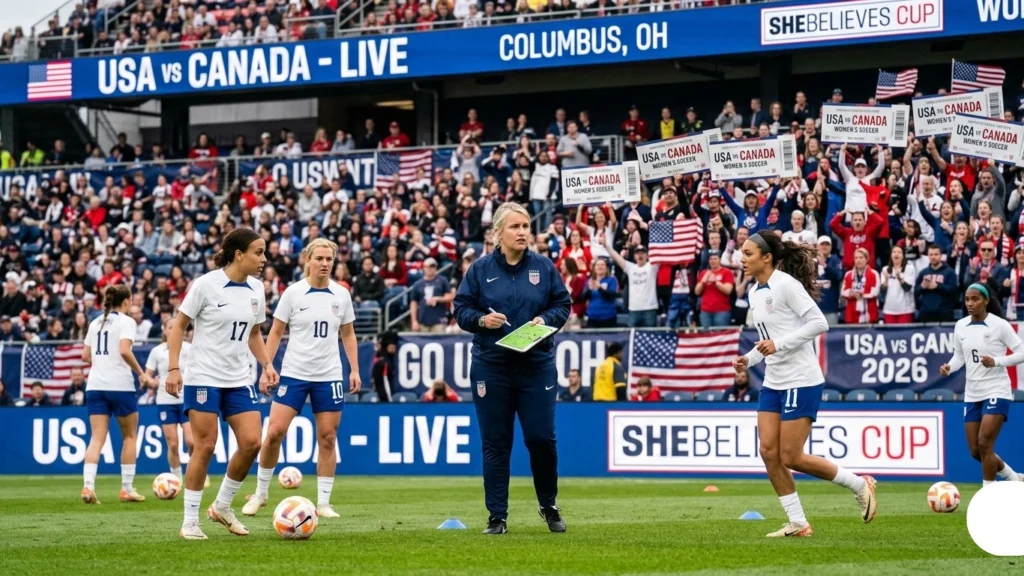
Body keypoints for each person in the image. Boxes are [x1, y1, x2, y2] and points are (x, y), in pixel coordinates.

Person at [733, 230, 876, 538]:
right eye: (741, 253)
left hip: (802, 378)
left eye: (748, 253)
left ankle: (859, 484)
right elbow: (767, 341)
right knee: (768, 452)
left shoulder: (786, 284)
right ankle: (798, 523)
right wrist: (749, 359)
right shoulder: (754, 292)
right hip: (774, 380)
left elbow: (819, 323)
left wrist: (779, 345)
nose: (741, 258)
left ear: (767, 258)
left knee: (791, 456)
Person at [453, 202, 571, 535]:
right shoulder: (479, 269)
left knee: (541, 439)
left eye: (526, 226)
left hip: (536, 365)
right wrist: (481, 320)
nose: (522, 232)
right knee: (495, 442)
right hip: (492, 367)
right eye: (515, 227)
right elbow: (461, 308)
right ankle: (497, 516)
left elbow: (562, 304)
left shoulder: (545, 267)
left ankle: (549, 505)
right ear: (498, 233)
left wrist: (544, 320)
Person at [165, 228, 279, 540]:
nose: (263, 259)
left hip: (239, 378)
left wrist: (267, 364)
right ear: (238, 254)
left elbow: (254, 333)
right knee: (205, 445)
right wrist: (174, 368)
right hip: (204, 376)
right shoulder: (205, 284)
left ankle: (222, 506)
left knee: (253, 442)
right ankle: (189, 521)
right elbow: (178, 326)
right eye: (258, 252)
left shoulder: (257, 289)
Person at [244, 238, 360, 519]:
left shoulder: (341, 294)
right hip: (294, 373)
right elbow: (274, 332)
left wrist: (354, 369)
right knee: (273, 433)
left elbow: (347, 333)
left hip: (329, 374)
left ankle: (323, 502)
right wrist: (267, 366)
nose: (324, 263)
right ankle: (260, 494)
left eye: (329, 259)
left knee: (328, 437)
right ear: (307, 260)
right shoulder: (293, 293)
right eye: (319, 258)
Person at [940, 282, 1024, 485]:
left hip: (997, 389)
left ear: (986, 301)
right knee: (976, 451)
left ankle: (989, 494)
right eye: (967, 299)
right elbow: (959, 356)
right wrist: (949, 367)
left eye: (975, 299)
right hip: (973, 392)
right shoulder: (961, 325)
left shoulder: (1000, 325)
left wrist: (997, 361)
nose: (970, 303)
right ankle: (1015, 479)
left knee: (985, 442)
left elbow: (1022, 352)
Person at [80, 285, 146, 505]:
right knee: (129, 436)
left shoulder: (94, 322)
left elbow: (85, 356)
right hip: (120, 385)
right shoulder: (127, 322)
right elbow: (125, 350)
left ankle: (88, 486)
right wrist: (140, 372)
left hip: (95, 385)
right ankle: (126, 488)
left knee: (96, 438)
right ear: (126, 301)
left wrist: (103, 362)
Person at [144, 323, 196, 481]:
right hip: (165, 400)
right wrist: (150, 381)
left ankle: (196, 472)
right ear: (164, 330)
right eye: (170, 327)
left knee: (192, 442)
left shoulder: (189, 348)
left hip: (186, 399)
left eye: (176, 326)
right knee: (173, 444)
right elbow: (147, 375)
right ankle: (176, 479)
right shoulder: (157, 351)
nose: (173, 330)